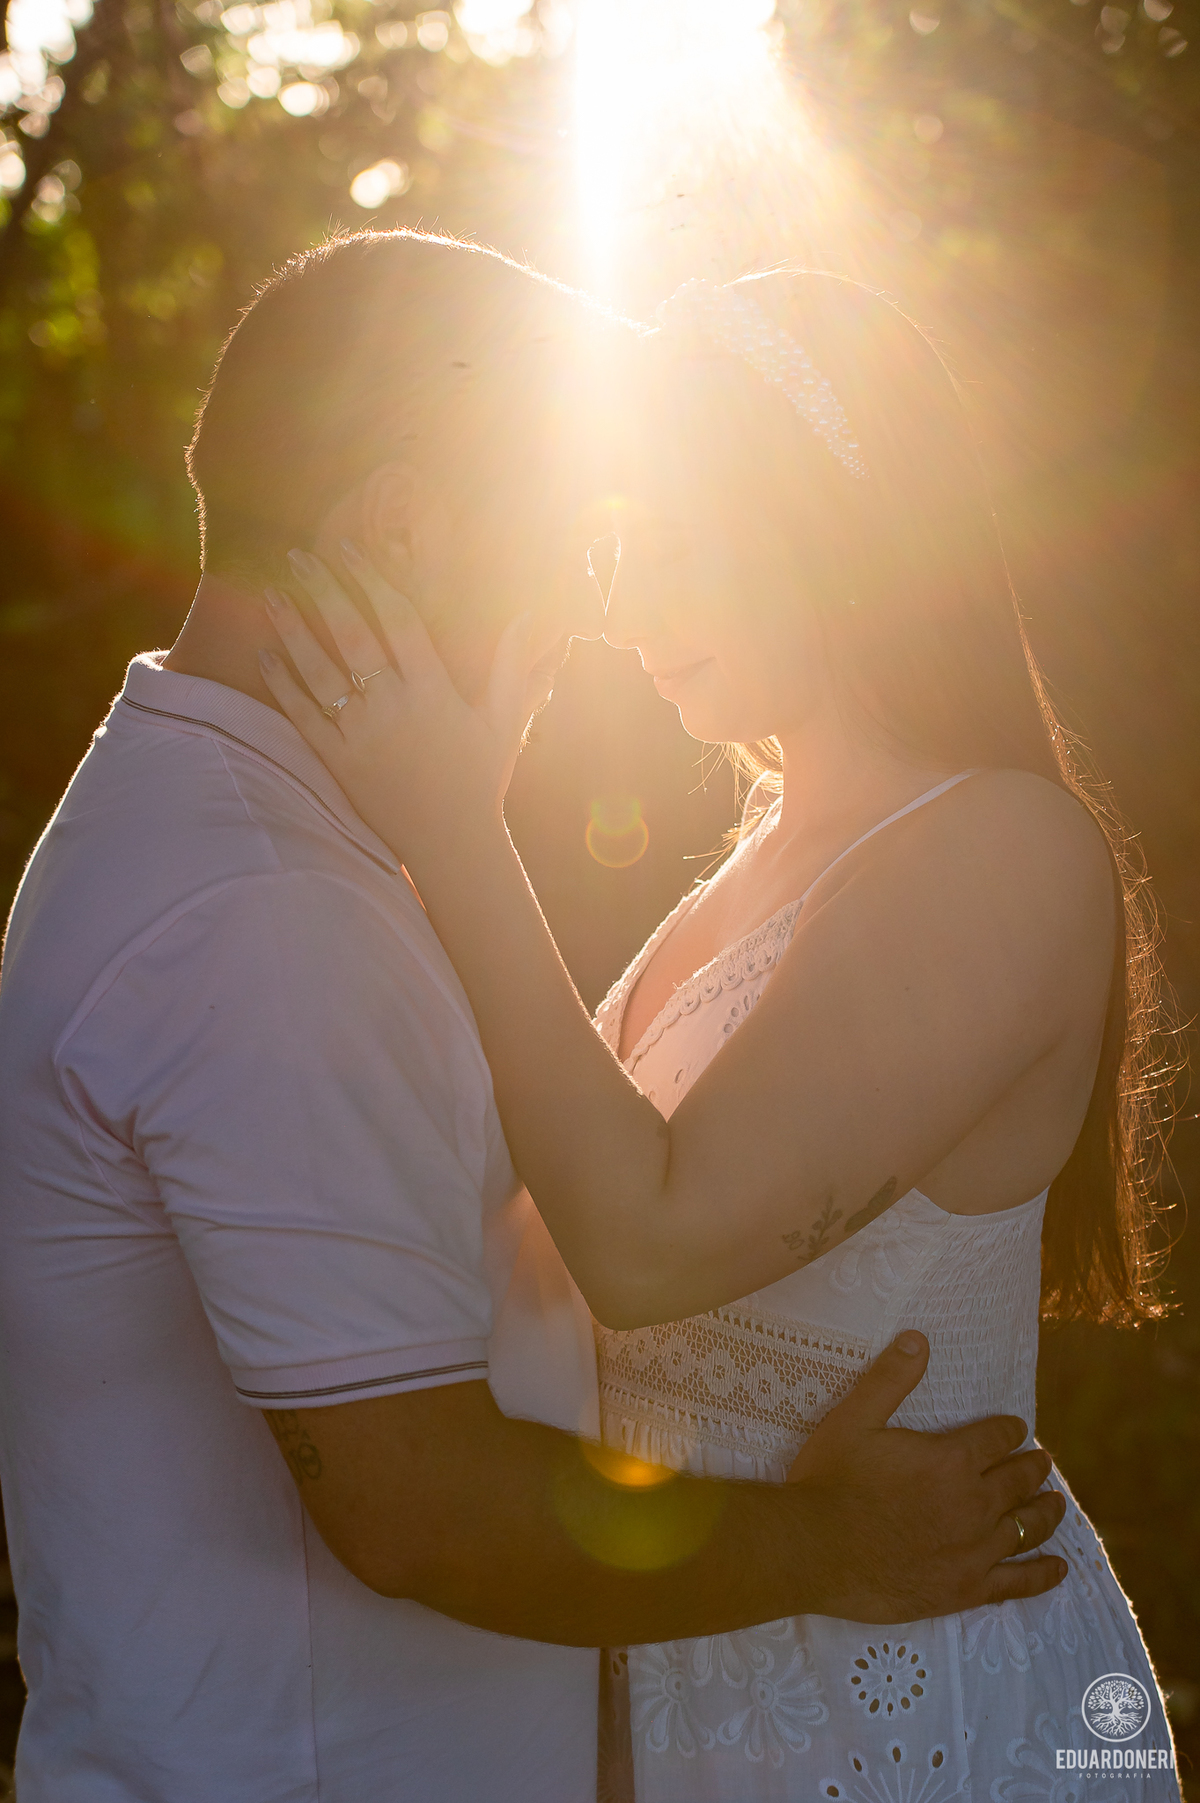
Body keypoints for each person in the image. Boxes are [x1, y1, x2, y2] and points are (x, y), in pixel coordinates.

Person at [0, 234, 1065, 1803]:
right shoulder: (270, 905)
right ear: (406, 523)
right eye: (575, 539)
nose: (597, 611)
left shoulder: (278, 851)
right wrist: (830, 1540)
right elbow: (427, 1501)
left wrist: (450, 825)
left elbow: (544, 1251)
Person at [258, 266, 1181, 1797]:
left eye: (671, 537)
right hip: (706, 1672)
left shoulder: (1006, 850)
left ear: (837, 520)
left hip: (912, 1704)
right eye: (613, 543)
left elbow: (650, 1240)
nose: (625, 604)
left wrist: (454, 827)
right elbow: (541, 1257)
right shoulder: (741, 873)